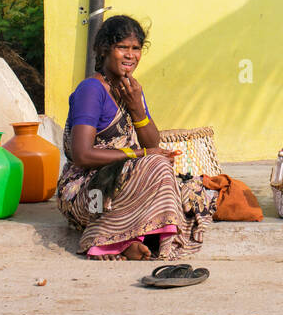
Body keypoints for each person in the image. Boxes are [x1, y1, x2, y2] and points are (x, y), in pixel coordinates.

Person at [55, 15, 216, 260]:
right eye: (122, 48)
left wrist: (137, 109)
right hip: (89, 194)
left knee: (190, 187)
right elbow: (82, 154)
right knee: (157, 165)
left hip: (119, 185)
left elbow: (152, 144)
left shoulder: (132, 90)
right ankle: (105, 240)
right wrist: (139, 154)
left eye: (136, 48)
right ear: (104, 50)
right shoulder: (91, 90)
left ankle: (134, 241)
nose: (130, 55)